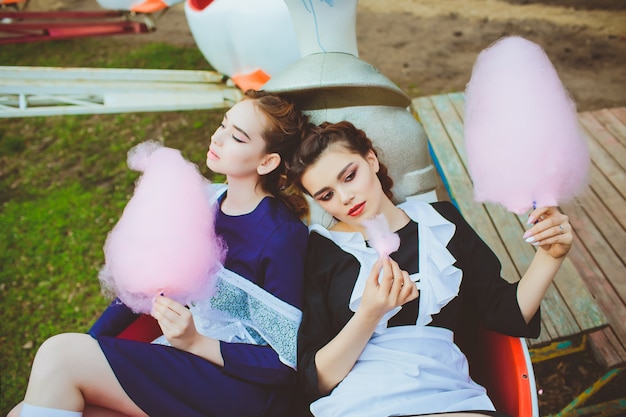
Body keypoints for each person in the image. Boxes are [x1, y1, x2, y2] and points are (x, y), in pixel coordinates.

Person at [8, 90, 312, 417]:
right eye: (223, 124)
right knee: (30, 403)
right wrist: (92, 346)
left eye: (237, 137)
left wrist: (196, 341)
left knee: (59, 356)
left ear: (267, 161)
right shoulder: (204, 201)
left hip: (239, 388)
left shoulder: (280, 235)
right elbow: (145, 284)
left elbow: (286, 362)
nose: (218, 138)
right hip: (186, 360)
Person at [287, 121, 573, 417]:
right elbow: (318, 379)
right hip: (359, 402)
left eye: (349, 176)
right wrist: (369, 313)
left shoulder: (441, 224)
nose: (344, 197)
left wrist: (550, 258)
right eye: (326, 195)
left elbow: (504, 312)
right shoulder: (322, 250)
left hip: (447, 396)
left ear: (371, 160)